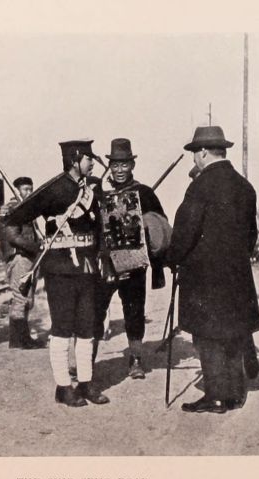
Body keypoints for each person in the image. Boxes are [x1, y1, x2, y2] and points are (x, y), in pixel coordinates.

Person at [4, 140, 110, 407]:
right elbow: (16, 217)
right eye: (88, 158)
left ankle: (85, 384)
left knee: (87, 328)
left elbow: (99, 227)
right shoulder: (53, 189)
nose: (92, 163)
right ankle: (63, 387)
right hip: (60, 269)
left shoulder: (91, 189)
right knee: (62, 329)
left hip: (87, 268)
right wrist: (16, 215)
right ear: (74, 159)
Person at [165, 126, 259, 414]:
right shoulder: (245, 186)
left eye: (195, 154)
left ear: (203, 152)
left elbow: (186, 231)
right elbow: (252, 235)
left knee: (207, 336)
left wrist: (173, 258)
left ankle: (216, 396)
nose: (194, 159)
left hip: (204, 277)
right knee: (233, 332)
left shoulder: (201, 185)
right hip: (237, 275)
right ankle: (235, 394)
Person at [93, 138, 167, 379]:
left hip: (134, 263)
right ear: (109, 167)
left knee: (134, 310)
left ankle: (135, 359)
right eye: (115, 165)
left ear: (132, 165)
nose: (120, 170)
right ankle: (88, 361)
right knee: (96, 309)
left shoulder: (144, 193)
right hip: (106, 263)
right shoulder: (100, 194)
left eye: (124, 165)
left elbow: (160, 226)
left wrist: (144, 225)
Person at [0, 177, 45, 349]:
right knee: (20, 297)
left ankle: (23, 338)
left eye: (30, 189)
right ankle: (18, 340)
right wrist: (36, 247)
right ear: (17, 190)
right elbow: (13, 237)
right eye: (25, 189)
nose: (29, 192)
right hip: (20, 257)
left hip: (29, 257)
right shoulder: (12, 209)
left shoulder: (27, 209)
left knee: (27, 298)